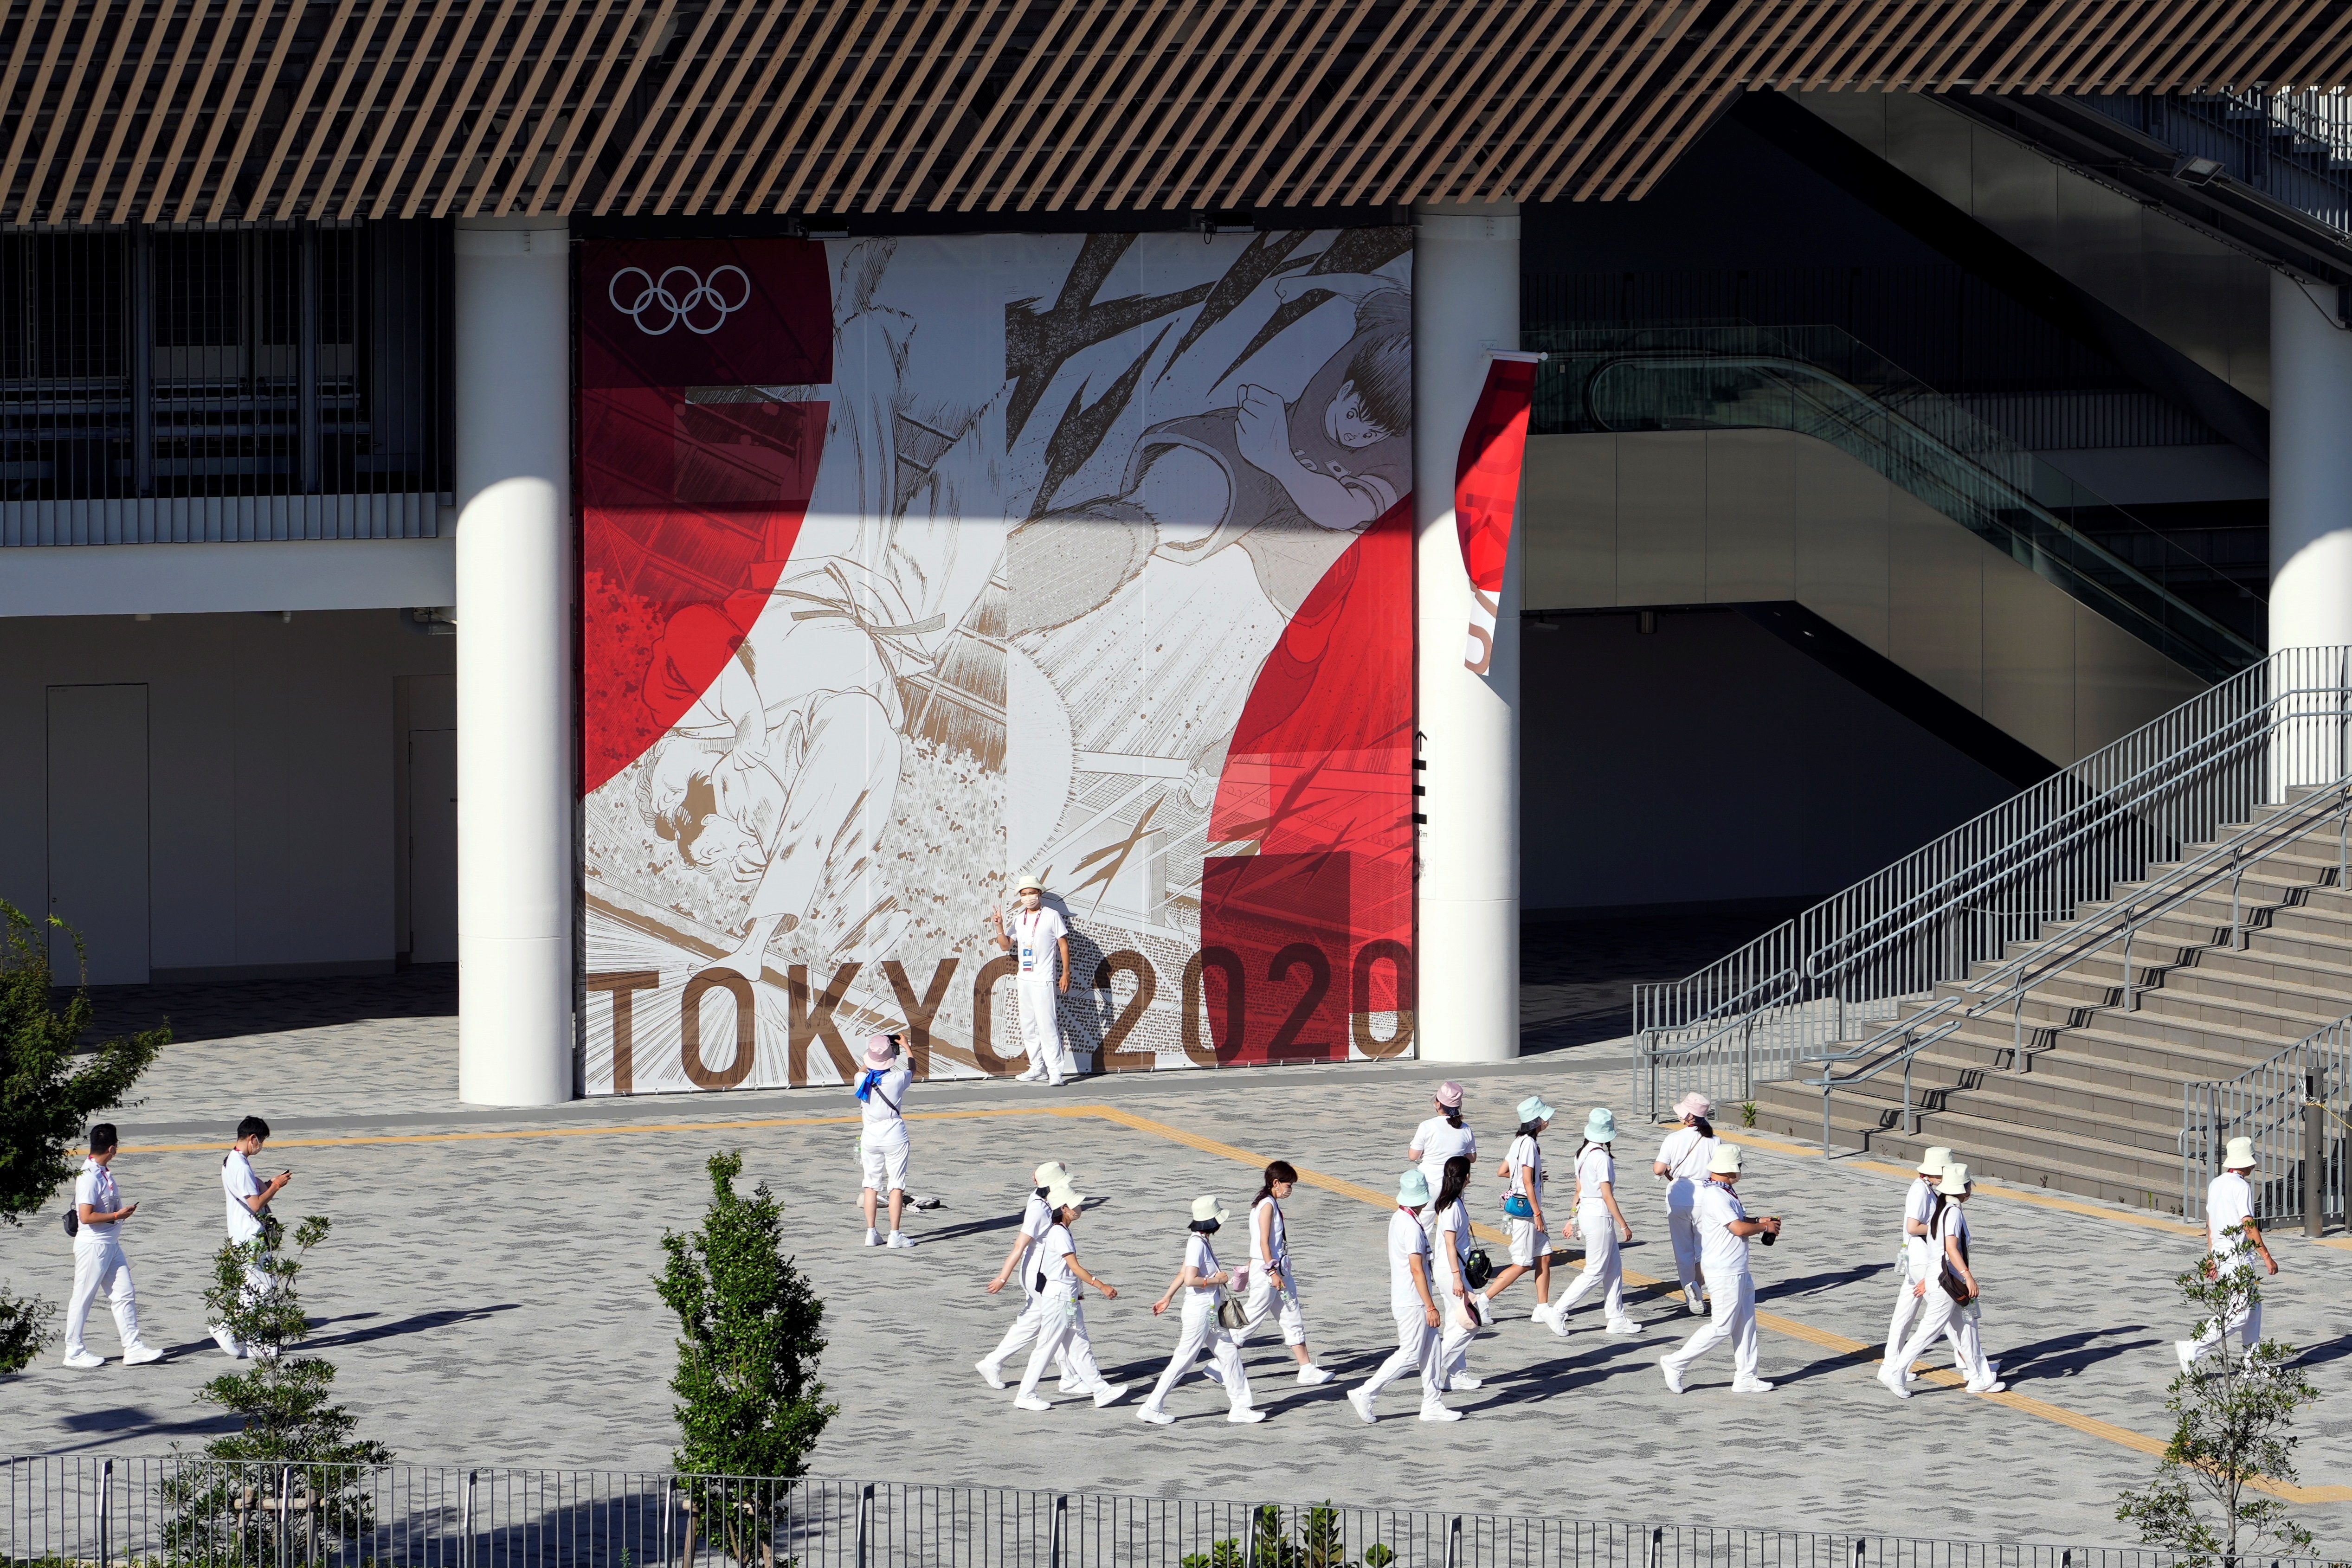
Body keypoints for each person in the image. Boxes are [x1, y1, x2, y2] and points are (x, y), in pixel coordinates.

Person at [1659, 1144, 1779, 1394]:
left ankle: (1747, 1376)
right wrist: (1763, 1229)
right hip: (1725, 1270)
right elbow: (1737, 1229)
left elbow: (1737, 1221)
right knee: (1722, 1326)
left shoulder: (1724, 1191)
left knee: (1746, 1322)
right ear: (1731, 1170)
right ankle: (1675, 1362)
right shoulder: (1716, 1194)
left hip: (1737, 1267)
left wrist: (1759, 1221)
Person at [1879, 1163, 2004, 1396]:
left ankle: (1980, 1378)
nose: (1971, 1191)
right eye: (1969, 1186)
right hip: (1948, 1282)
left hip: (1941, 1278)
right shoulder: (1953, 1212)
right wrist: (1969, 1278)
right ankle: (1896, 1372)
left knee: (1968, 1327)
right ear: (1963, 1189)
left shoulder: (1941, 1206)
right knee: (1929, 1331)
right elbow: (1951, 1249)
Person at [1138, 1196, 1265, 1424]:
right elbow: (1190, 1279)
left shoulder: (1199, 1241)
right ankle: (1152, 1406)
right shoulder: (1197, 1243)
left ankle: (1241, 1407)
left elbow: (1183, 1273)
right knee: (1183, 1360)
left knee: (1230, 1355)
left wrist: (1167, 1297)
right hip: (1201, 1313)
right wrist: (1216, 1280)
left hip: (1210, 1313)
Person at [1346, 1169, 1456, 1423]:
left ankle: (1432, 1402)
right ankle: (1366, 1392)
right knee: (1411, 1353)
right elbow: (1417, 1269)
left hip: (1409, 1296)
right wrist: (1431, 1306)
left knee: (1432, 1349)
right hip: (1413, 1300)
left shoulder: (1400, 1218)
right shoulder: (1412, 1228)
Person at [1012, 1179, 1128, 1412]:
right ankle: (1025, 1394)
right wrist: (1101, 1285)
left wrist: (1080, 1292)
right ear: (1063, 1209)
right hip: (1060, 1300)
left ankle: (1101, 1390)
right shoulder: (1059, 1233)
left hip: (1068, 1298)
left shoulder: (1060, 1231)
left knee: (1080, 1345)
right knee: (1046, 1348)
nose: (1080, 1208)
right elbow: (1074, 1267)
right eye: (1074, 1205)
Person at [61, 1125, 161, 1369]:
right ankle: (73, 1352)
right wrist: (117, 1215)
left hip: (110, 1244)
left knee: (124, 1293)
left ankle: (133, 1347)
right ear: (112, 1148)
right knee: (82, 1298)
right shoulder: (89, 1176)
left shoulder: (102, 1171)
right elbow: (85, 1217)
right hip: (94, 1247)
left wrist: (117, 1216)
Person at [1226, 1161, 1333, 1384]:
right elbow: (1264, 1243)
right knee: (1252, 1316)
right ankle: (1220, 1363)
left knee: (1291, 1313)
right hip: (1270, 1271)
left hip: (1275, 1269)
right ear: (1276, 1183)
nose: (1290, 1189)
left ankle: (1306, 1369)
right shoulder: (1267, 1205)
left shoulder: (1264, 1203)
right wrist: (1272, 1273)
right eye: (1289, 1184)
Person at [2175, 1136, 2277, 1371]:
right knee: (2240, 1313)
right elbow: (2248, 1224)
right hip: (2238, 1258)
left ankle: (2254, 1364)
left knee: (2253, 1307)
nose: (2254, 1165)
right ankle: (2193, 1348)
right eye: (2252, 1161)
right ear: (2246, 1163)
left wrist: (2211, 1256)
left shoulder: (2217, 1183)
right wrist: (2266, 1257)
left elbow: (2211, 1223)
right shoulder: (2242, 1187)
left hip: (2221, 1255)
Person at [979, 1159, 1078, 1390]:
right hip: (1041, 1274)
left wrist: (1046, 1171)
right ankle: (1070, 1376)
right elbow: (1019, 1246)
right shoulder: (1038, 1208)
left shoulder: (1048, 1195)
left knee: (1034, 1322)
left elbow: (1058, 1166)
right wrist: (1003, 1277)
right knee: (1064, 1318)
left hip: (1050, 1270)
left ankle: (993, 1362)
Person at [1545, 1108, 1640, 1337]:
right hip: (1599, 1215)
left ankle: (1616, 1316)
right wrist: (1624, 1224)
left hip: (1587, 1212)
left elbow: (1578, 1190)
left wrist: (1572, 1217)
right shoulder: (1602, 1158)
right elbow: (1607, 1195)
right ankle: (1558, 1311)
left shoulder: (1582, 1153)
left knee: (1613, 1268)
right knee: (1595, 1271)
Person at [212, 1115, 291, 1360]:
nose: (262, 1147)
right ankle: (228, 1329)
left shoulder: (233, 1160)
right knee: (262, 1287)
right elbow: (255, 1204)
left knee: (257, 1287)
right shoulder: (240, 1166)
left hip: (245, 1234)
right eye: (262, 1141)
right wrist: (276, 1186)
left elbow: (251, 1193)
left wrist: (270, 1183)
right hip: (250, 1236)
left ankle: (250, 1337)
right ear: (252, 1138)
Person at [1474, 1096, 1555, 1323]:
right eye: (1544, 1118)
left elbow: (1503, 1171)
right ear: (1537, 1121)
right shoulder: (1529, 1144)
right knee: (1523, 1263)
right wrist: (1538, 1214)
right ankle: (1483, 1300)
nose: (1547, 1122)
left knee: (1545, 1256)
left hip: (1526, 1207)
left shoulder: (1518, 1141)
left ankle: (1542, 1307)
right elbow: (1527, 1182)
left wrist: (1530, 1177)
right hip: (1528, 1211)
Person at [989, 875, 1074, 1086]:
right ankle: (1038, 1068)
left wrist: (1066, 973)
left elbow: (1063, 945)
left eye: (1031, 893)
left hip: (1044, 978)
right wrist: (999, 927)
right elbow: (1005, 945)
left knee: (1047, 1025)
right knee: (1028, 1025)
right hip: (1024, 978)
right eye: (1024, 894)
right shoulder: (1019, 919)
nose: (1028, 898)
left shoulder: (1052, 915)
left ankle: (1055, 1071)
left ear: (1040, 894)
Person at [1883, 1146, 1951, 1369]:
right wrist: (1941, 1228)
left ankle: (1891, 1362)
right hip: (1920, 1256)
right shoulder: (1920, 1191)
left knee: (1906, 1309)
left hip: (1917, 1255)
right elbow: (1913, 1227)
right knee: (1945, 1309)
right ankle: (1973, 1366)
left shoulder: (1927, 1189)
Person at [1652, 1093, 1720, 1313]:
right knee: (1704, 1248)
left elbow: (1658, 1169)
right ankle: (1698, 1288)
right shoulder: (1714, 1140)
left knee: (1683, 1250)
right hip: (1707, 1197)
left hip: (1679, 1196)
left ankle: (1690, 1293)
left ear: (1688, 1116)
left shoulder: (1673, 1139)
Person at [1431, 1153, 1486, 1393]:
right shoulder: (1452, 1207)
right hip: (1451, 1269)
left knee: (1456, 1320)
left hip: (1450, 1268)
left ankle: (1457, 1375)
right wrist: (1457, 1277)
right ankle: (1436, 1368)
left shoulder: (1452, 1202)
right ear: (1464, 1178)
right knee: (1472, 1319)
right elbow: (1450, 1243)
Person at [855, 1035, 915, 1248]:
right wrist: (906, 1046)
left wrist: (874, 1057)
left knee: (871, 1185)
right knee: (896, 1185)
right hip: (894, 1135)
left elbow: (863, 1071)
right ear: (890, 1058)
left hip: (869, 1136)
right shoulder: (898, 1078)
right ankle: (895, 1235)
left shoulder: (860, 1079)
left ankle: (871, 1233)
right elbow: (913, 1069)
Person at [1406, 1083, 1476, 1224]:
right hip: (1454, 1185)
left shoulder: (1427, 1126)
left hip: (1429, 1183)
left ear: (1438, 1104)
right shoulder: (1466, 1129)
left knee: (1422, 1227)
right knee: (1450, 1229)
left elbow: (1413, 1156)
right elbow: (1472, 1158)